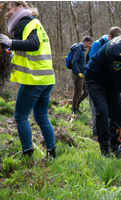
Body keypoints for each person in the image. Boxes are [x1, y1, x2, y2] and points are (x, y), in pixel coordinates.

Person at [0, 1, 56, 158]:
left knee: (20, 116)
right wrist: (10, 52)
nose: (6, 14)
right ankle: (52, 154)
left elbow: (33, 44)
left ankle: (27, 153)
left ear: (19, 7)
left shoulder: (26, 21)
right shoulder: (34, 21)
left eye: (9, 10)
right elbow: (26, 52)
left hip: (34, 79)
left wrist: (9, 42)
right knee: (41, 117)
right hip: (46, 78)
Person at [87, 27, 121, 138]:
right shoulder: (98, 44)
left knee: (113, 109)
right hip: (95, 80)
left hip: (109, 81)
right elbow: (93, 61)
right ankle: (96, 132)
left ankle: (112, 134)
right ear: (109, 37)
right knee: (97, 109)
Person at [70, 36, 92, 114]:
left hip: (82, 74)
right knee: (77, 92)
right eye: (89, 43)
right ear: (84, 42)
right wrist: (78, 72)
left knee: (86, 91)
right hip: (77, 74)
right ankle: (74, 109)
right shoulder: (78, 48)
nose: (89, 45)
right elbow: (74, 62)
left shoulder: (82, 49)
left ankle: (75, 105)